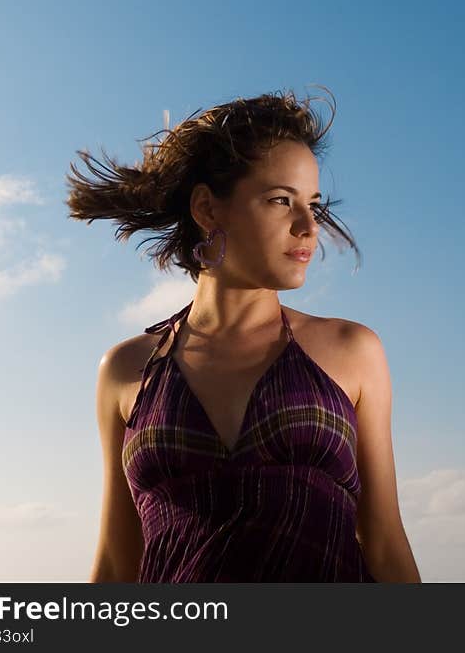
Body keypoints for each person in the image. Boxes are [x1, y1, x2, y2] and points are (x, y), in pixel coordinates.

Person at [66, 87, 420, 582]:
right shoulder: (126, 371)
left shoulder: (351, 352)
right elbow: (116, 561)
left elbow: (383, 541)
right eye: (280, 200)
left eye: (313, 205)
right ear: (208, 210)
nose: (307, 226)